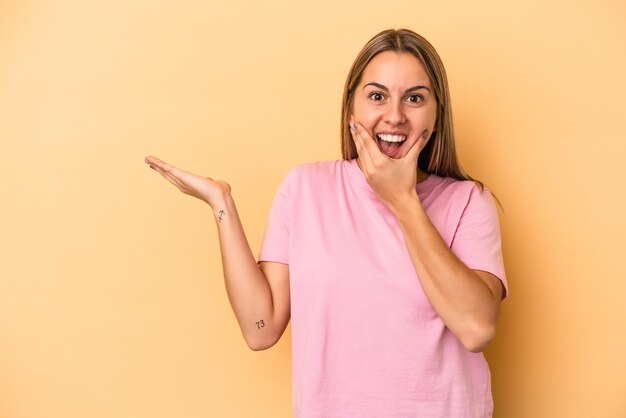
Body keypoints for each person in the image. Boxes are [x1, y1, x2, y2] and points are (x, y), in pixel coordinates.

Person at [145, 28, 507, 418]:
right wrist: (221, 203)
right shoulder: (304, 189)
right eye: (377, 96)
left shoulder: (470, 202)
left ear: (436, 118)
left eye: (415, 98)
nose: (395, 115)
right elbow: (260, 328)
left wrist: (402, 199)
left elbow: (477, 328)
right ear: (352, 108)